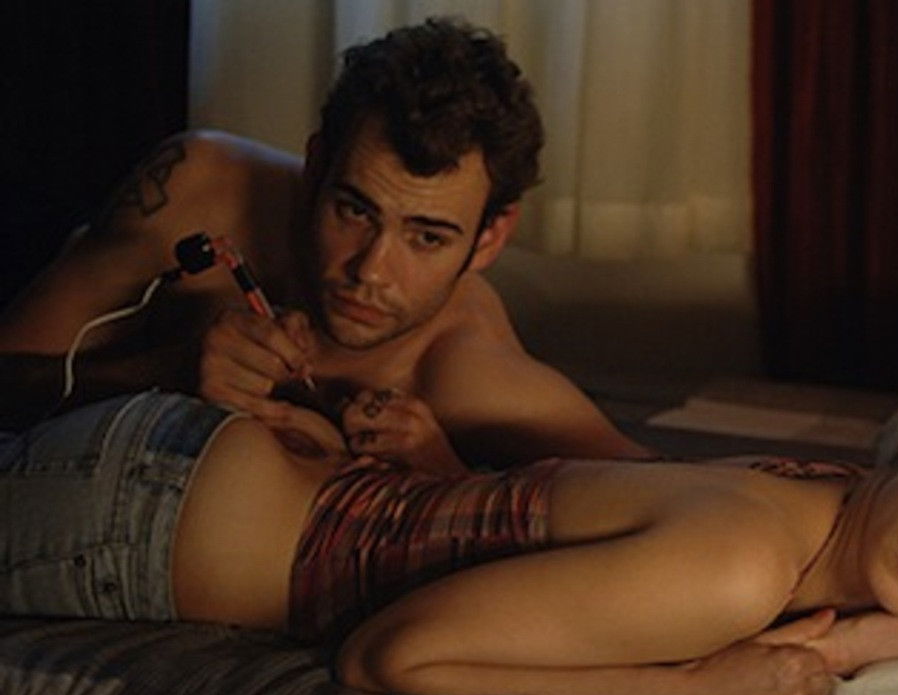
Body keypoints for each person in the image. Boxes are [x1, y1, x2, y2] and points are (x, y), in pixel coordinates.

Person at [0, 349, 898, 695]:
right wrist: (690, 690)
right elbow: (384, 660)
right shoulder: (736, 572)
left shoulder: (836, 499)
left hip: (187, 476)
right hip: (135, 520)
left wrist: (860, 642)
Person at [0, 17, 647, 471]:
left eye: (426, 237)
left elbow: (667, 491)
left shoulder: (466, 373)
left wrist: (446, 476)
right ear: (313, 171)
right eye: (354, 210)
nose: (372, 270)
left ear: (490, 239)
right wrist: (168, 372)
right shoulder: (197, 188)